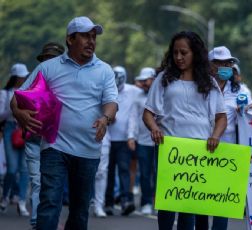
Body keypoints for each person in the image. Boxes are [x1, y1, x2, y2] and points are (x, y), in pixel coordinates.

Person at [10, 16, 118, 230]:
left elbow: (111, 102)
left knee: (79, 211)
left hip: (89, 150)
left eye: (94, 37)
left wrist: (105, 118)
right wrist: (19, 113)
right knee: (50, 201)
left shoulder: (104, 70)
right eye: (85, 36)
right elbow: (18, 98)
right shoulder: (49, 67)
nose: (91, 41)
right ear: (70, 39)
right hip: (54, 147)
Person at [142, 31, 227, 230]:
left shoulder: (209, 82)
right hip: (169, 150)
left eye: (184, 52)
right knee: (168, 206)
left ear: (195, 53)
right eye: (175, 53)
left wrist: (215, 136)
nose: (179, 57)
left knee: (189, 207)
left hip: (198, 152)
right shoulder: (164, 79)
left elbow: (221, 117)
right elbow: (147, 114)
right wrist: (154, 129)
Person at [194, 46, 252, 230]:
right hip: (198, 148)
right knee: (200, 199)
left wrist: (246, 110)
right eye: (221, 63)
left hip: (227, 151)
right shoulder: (198, 86)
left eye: (228, 63)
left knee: (222, 199)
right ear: (210, 65)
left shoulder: (239, 89)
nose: (226, 66)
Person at [25, 42, 65, 228]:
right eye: (47, 58)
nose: (50, 62)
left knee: (53, 187)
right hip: (35, 139)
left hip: (58, 143)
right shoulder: (33, 81)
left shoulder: (68, 82)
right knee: (38, 182)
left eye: (53, 58)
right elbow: (17, 104)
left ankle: (47, 221)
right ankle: (36, 222)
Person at [104, 66, 140, 216]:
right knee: (109, 172)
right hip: (108, 138)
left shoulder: (133, 91)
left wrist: (132, 135)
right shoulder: (106, 89)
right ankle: (108, 203)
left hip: (124, 139)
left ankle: (126, 201)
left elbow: (148, 92)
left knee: (124, 171)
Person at [0, 63, 30, 217]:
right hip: (10, 129)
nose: (24, 78)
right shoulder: (4, 93)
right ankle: (5, 196)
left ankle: (22, 201)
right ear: (15, 77)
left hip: (24, 129)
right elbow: (1, 115)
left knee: (24, 168)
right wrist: (13, 107)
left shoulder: (28, 91)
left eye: (25, 76)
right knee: (12, 168)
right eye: (21, 76)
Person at [127, 67, 156, 215]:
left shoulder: (162, 95)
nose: (144, 83)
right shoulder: (138, 97)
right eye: (142, 81)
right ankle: (146, 202)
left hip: (161, 142)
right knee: (144, 173)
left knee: (159, 174)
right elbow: (132, 117)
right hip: (143, 142)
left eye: (146, 80)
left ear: (153, 79)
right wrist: (131, 136)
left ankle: (159, 202)